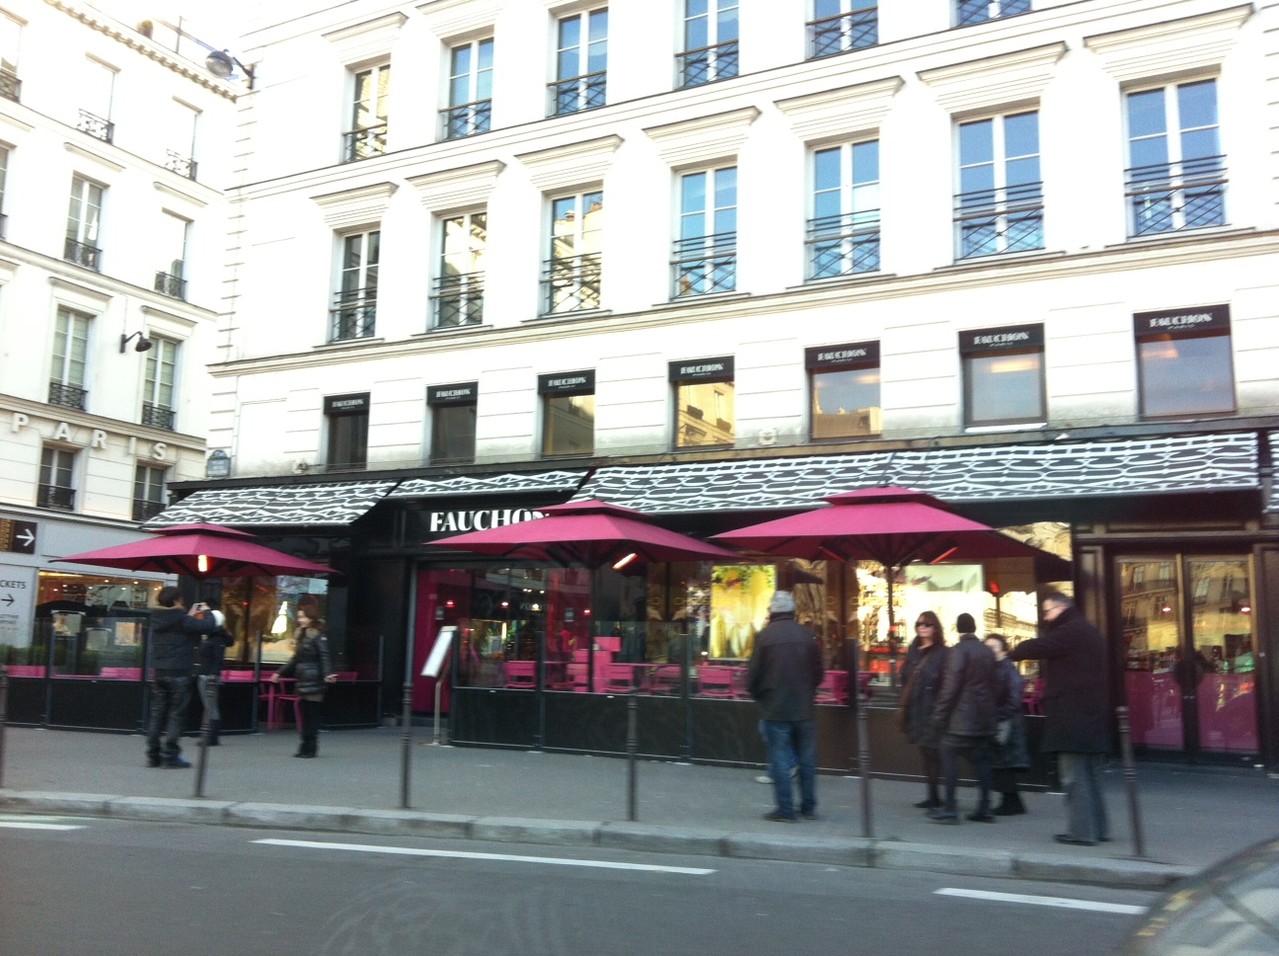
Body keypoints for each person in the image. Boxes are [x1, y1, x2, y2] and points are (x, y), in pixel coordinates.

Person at [1008, 590, 1111, 846]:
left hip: (1072, 717)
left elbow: (1041, 646)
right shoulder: (1085, 629)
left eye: (1047, 611)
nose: (1045, 617)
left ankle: (1081, 832)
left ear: (1061, 608)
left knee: (1074, 778)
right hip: (1089, 716)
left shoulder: (1070, 630)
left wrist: (1011, 652)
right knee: (1090, 778)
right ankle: (1099, 829)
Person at [747, 590, 823, 822]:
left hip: (775, 708)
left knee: (780, 761)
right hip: (804, 709)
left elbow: (753, 675)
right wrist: (808, 692)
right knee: (807, 761)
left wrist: (761, 696)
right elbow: (819, 673)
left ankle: (786, 810)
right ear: (793, 611)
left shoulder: (765, 637)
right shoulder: (807, 635)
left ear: (772, 610)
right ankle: (808, 807)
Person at [929, 612, 999, 824]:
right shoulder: (987, 652)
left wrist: (939, 717)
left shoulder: (957, 652)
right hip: (984, 719)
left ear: (958, 629)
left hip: (961, 720)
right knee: (982, 762)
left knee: (949, 759)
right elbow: (994, 685)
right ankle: (985, 808)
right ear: (974, 627)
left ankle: (950, 808)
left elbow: (949, 688)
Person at [146, 586, 217, 768]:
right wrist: (207, 611)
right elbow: (208, 625)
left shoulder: (156, 619)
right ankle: (170, 756)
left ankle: (153, 754)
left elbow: (183, 624)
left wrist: (190, 615)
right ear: (177, 600)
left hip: (159, 672)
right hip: (179, 672)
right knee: (176, 715)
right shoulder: (183, 620)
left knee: (157, 714)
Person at [897, 610, 947, 809]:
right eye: (919, 624)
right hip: (916, 710)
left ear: (935, 628)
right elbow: (905, 675)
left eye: (927, 624)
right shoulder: (914, 650)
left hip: (933, 710)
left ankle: (938, 797)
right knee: (925, 754)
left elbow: (945, 683)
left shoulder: (943, 652)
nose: (922, 628)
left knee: (934, 754)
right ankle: (932, 795)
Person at [273, 607, 337, 758]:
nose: (300, 620)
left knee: (312, 715)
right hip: (303, 679)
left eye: (303, 617)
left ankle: (310, 747)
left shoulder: (318, 635)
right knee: (306, 714)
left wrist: (327, 674)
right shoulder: (301, 636)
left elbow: (324, 656)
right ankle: (304, 746)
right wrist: (279, 672)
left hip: (314, 680)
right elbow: (295, 659)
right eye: (299, 617)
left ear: (311, 618)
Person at [985, 633, 1030, 816]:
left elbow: (1013, 701)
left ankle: (1010, 803)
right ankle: (1013, 802)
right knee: (1002, 765)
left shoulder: (1008, 670)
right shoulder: (994, 669)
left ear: (1003, 651)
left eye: (992, 648)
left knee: (1004, 765)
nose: (988, 651)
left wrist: (995, 715)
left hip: (1007, 725)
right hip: (1003, 723)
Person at [196, 609, 234, 746]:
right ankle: (210, 735)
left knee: (210, 706)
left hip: (208, 675)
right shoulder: (215, 636)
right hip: (207, 673)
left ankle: (211, 736)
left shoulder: (216, 637)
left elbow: (218, 659)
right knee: (210, 706)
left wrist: (212, 674)